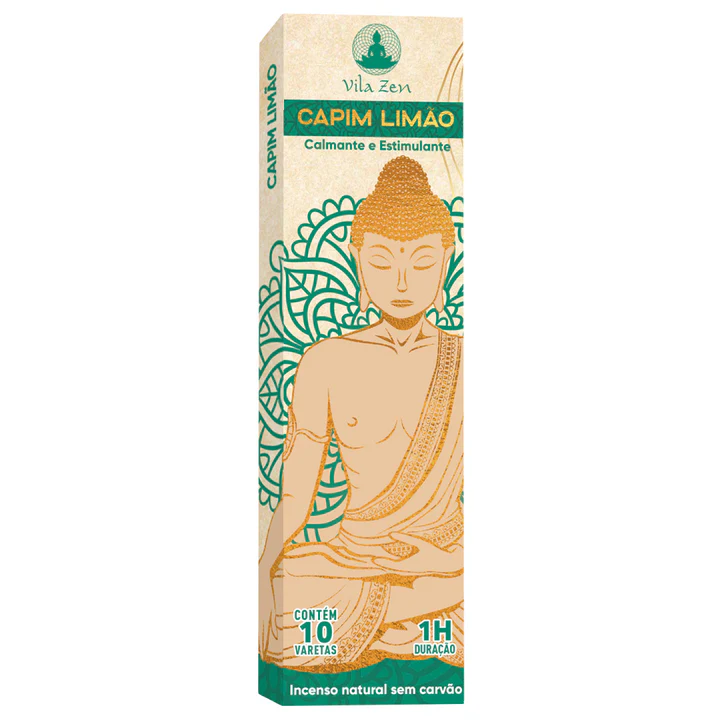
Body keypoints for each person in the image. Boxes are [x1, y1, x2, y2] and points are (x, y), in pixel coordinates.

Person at [259, 156, 464, 672]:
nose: (402, 282)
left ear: (446, 260)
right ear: (356, 260)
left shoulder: (466, 359)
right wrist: (262, 567)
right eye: (382, 262)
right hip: (356, 552)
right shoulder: (325, 360)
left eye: (422, 263)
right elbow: (297, 488)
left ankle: (396, 616)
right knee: (289, 582)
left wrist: (450, 561)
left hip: (448, 551)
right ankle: (414, 621)